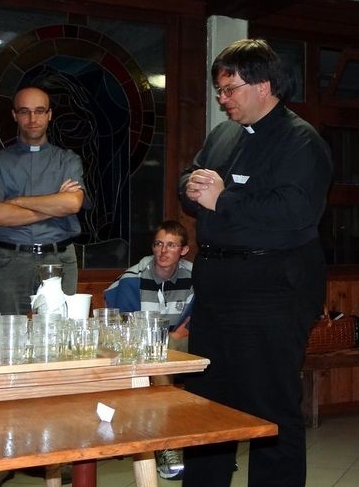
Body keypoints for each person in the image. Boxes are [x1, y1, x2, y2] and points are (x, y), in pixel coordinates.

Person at [178, 38, 332, 487]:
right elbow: (191, 178)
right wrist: (190, 186)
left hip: (272, 290)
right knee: (206, 404)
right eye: (219, 90)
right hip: (217, 288)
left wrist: (223, 199)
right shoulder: (223, 135)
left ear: (263, 86)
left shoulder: (301, 140)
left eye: (230, 89)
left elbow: (296, 211)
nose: (222, 99)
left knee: (270, 409)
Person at [0, 86, 87, 487]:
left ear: (50, 115)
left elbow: (72, 205)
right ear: (14, 116)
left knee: (60, 352)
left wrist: (18, 201)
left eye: (40, 111)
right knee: (5, 352)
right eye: (24, 112)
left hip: (59, 260)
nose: (33, 119)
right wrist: (49, 202)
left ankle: (58, 448)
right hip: (10, 260)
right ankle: (4, 453)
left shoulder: (68, 159)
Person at [104, 219, 194, 481]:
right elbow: (125, 328)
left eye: (171, 245)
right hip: (140, 345)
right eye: (158, 244)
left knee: (219, 351)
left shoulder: (195, 275)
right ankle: (167, 446)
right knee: (159, 357)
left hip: (180, 339)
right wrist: (165, 340)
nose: (163, 252)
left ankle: (211, 448)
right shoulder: (132, 280)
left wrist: (181, 333)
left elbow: (205, 311)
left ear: (184, 250)